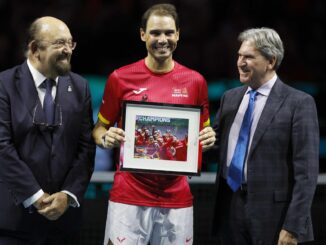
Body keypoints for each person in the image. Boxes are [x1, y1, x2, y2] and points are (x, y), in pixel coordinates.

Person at [92, 3, 216, 245]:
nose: (163, 39)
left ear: (178, 35)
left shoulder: (195, 82)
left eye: (169, 33)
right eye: (155, 33)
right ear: (142, 35)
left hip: (176, 196)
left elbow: (202, 133)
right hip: (128, 194)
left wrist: (208, 139)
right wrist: (105, 139)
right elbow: (99, 129)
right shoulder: (120, 78)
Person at [212, 27, 319, 245]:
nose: (240, 62)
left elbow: (307, 173)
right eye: (239, 55)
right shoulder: (229, 99)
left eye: (249, 57)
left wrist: (293, 227)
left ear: (270, 61)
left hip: (275, 217)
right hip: (229, 210)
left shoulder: (299, 103)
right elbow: (216, 148)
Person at [0, 16, 95, 244]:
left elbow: (86, 149)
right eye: (59, 44)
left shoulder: (80, 86)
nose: (67, 50)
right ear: (35, 49)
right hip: (14, 222)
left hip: (64, 224)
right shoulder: (4, 84)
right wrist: (36, 196)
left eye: (70, 43)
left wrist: (67, 195)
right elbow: (2, 146)